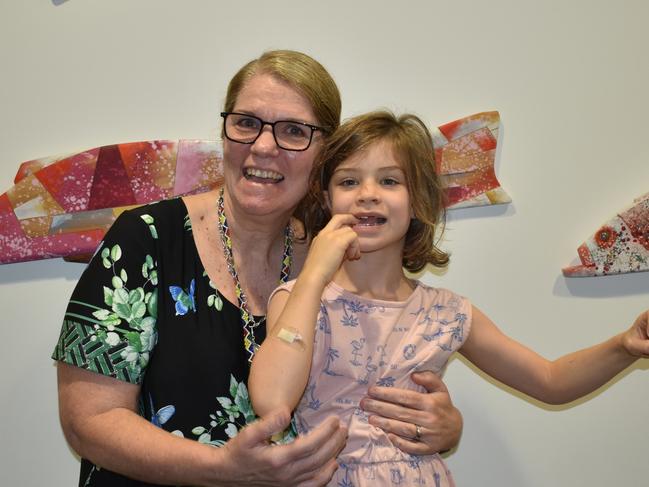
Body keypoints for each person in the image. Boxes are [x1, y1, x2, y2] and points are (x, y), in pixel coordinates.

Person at [52, 51, 463, 486]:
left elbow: (366, 392)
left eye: (293, 131)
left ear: (327, 154)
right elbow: (87, 421)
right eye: (247, 123)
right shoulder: (147, 239)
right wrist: (222, 471)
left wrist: (439, 424)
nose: (264, 147)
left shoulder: (338, 259)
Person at [248, 110, 649, 486]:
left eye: (389, 181)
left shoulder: (446, 313)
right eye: (349, 181)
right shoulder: (298, 299)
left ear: (419, 200)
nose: (367, 194)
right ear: (325, 199)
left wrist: (623, 346)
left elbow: (550, 380)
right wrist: (315, 273)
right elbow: (271, 401)